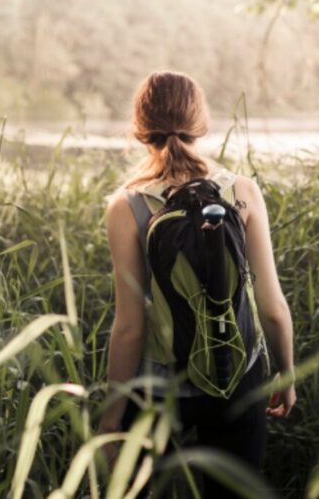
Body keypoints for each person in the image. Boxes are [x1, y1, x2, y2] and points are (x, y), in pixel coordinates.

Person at [97, 70, 297, 496]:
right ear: (200, 123)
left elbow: (130, 327)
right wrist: (286, 375)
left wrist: (112, 417)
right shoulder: (242, 191)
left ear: (139, 128)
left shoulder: (126, 205)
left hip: (158, 388)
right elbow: (272, 307)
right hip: (238, 379)